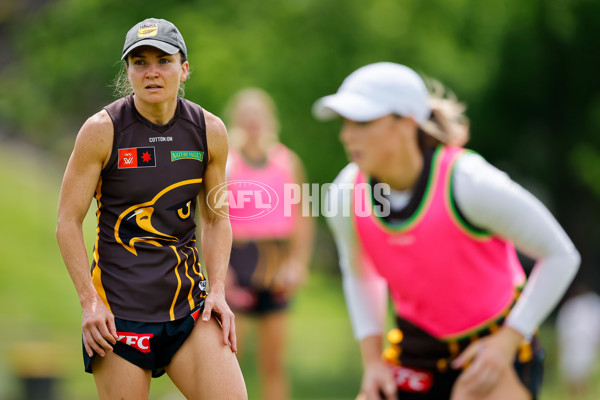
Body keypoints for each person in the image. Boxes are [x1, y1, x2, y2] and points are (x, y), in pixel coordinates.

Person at [312, 62, 580, 400]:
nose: (346, 135)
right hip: (414, 350)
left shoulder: (469, 182)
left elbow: (561, 255)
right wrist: (372, 363)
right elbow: (360, 274)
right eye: (345, 122)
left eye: (363, 122)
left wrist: (506, 342)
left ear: (407, 122)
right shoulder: (345, 194)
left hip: (492, 346)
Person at [56, 18, 247, 399]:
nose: (152, 72)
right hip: (119, 317)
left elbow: (215, 217)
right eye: (139, 62)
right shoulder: (101, 131)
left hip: (191, 311)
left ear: (184, 68)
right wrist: (89, 303)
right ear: (127, 71)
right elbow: (67, 222)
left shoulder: (209, 131)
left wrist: (219, 291)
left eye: (163, 60)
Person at [223, 88, 314, 400]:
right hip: (236, 262)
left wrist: (298, 263)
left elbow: (302, 217)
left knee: (273, 363)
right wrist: (220, 271)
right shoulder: (226, 163)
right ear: (236, 121)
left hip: (275, 264)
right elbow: (209, 219)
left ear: (268, 121)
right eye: (245, 118)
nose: (252, 124)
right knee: (228, 358)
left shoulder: (287, 162)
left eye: (257, 117)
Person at [556, 283, 600, 398]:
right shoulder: (571, 307)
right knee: (573, 374)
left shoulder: (590, 304)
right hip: (573, 345)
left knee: (583, 374)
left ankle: (582, 395)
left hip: (585, 344)